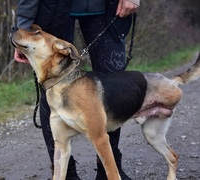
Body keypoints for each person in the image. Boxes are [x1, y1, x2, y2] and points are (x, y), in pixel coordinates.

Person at [14, 0, 140, 179]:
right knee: (51, 87)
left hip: (106, 7)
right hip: (52, 9)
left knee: (114, 86)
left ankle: (109, 171)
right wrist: (24, 26)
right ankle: (66, 175)